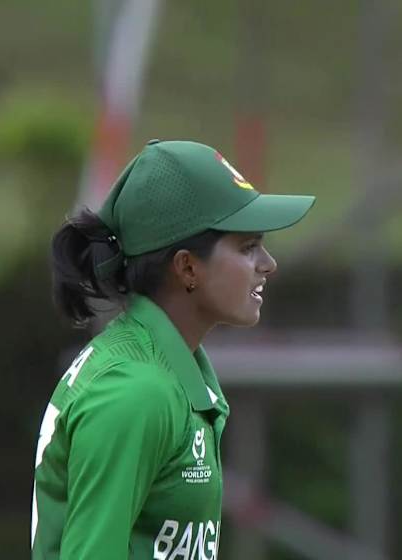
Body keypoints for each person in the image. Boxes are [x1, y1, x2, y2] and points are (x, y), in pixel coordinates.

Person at [31, 139, 315, 559]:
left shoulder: (168, 370)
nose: (268, 263)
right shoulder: (135, 392)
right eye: (248, 246)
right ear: (187, 267)